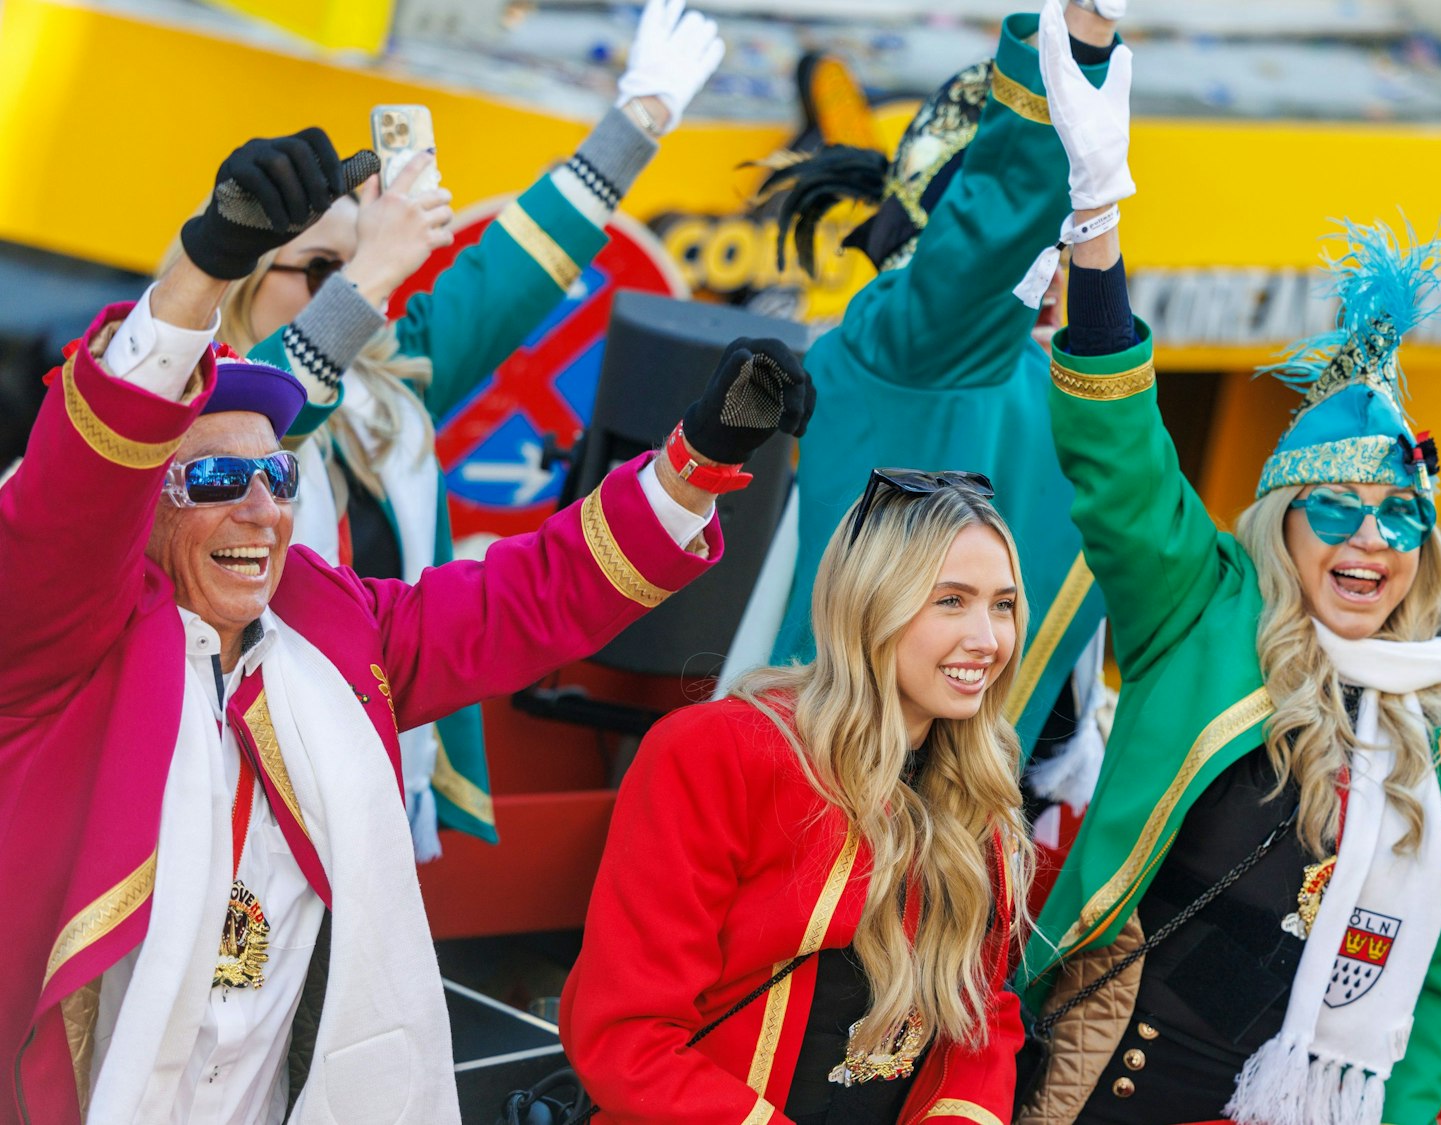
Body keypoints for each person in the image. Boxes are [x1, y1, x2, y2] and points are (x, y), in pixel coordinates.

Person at [0, 131, 812, 1124]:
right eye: (218, 480)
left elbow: (525, 601)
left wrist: (695, 467)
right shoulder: (59, 637)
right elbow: (76, 493)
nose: (261, 509)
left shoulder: (326, 618)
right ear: (147, 506)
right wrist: (204, 266)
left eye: (279, 477)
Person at [1011, 25, 1441, 1121]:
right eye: (1336, 511)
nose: (1367, 543)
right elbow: (1119, 459)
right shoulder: (1202, 608)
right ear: (1283, 524)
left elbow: (1428, 993)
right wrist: (1096, 218)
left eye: (1397, 522)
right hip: (1109, 1087)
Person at [177, 0, 726, 860]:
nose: (348, 282)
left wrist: (640, 116)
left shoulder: (392, 379)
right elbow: (272, 402)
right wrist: (369, 272)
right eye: (319, 266)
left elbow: (514, 270)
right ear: (242, 276)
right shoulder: (188, 398)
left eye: (349, 261)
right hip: (222, 774)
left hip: (369, 759)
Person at [735, 0, 1131, 783]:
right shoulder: (913, 342)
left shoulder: (1046, 379)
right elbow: (987, 242)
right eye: (1042, 236)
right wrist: (1077, 44)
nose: (1052, 264)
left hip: (971, 809)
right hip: (845, 786)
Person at [561, 471, 1033, 1125]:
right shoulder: (716, 752)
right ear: (872, 604)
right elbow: (627, 1036)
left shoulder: (979, 788)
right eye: (950, 600)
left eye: (1003, 604)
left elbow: (982, 1012)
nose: (988, 639)